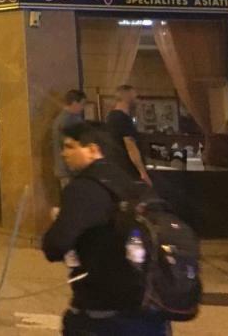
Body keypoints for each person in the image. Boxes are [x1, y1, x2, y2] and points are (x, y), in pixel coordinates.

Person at [43, 121, 169, 335]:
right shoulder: (133, 184)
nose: (64, 153)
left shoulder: (82, 188)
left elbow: (55, 246)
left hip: (102, 309)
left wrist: (58, 221)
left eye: (70, 146)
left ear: (92, 150)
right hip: (149, 307)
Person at [106, 85, 152, 185]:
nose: (136, 100)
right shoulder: (121, 118)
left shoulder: (112, 116)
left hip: (119, 169)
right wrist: (142, 172)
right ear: (127, 97)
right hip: (127, 170)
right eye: (134, 97)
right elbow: (130, 147)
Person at [53, 89, 87, 190]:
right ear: (74, 103)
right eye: (82, 104)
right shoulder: (69, 120)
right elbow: (71, 144)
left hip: (66, 169)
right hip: (70, 170)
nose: (83, 108)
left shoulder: (62, 119)